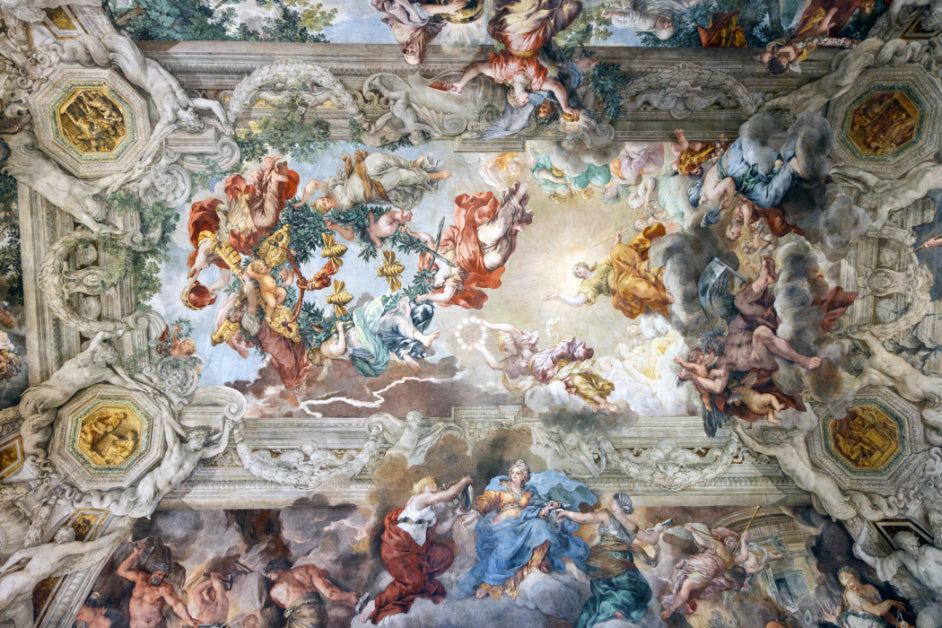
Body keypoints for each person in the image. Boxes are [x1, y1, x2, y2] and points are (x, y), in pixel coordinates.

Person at [455, 459, 594, 600]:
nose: (513, 475)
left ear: (524, 477)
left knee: (541, 528)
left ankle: (534, 570)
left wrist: (547, 509)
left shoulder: (529, 494)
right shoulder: (501, 489)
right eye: (512, 473)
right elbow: (486, 502)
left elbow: (536, 511)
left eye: (517, 473)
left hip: (523, 523)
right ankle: (489, 582)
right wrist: (476, 512)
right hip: (504, 526)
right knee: (508, 540)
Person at [438, 0, 583, 119]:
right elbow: (557, 87)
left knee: (528, 6)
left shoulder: (502, 75)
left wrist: (461, 83)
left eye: (523, 102)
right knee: (570, 8)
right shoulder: (535, 83)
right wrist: (565, 107)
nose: (527, 100)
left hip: (514, 37)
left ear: (515, 97)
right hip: (536, 38)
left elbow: (477, 67)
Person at [362, 475, 473, 623]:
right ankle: (375, 603)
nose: (435, 491)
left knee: (445, 554)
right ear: (424, 487)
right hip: (398, 548)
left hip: (415, 550)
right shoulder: (419, 499)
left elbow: (440, 530)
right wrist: (464, 481)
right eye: (431, 487)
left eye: (436, 489)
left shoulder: (430, 510)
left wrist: (455, 516)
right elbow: (450, 493)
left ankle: (420, 578)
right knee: (413, 583)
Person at [556, 493, 668, 627]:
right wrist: (658, 530)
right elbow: (652, 540)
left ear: (620, 505)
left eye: (613, 502)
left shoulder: (606, 515)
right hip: (619, 561)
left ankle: (613, 609)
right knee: (635, 587)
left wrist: (566, 513)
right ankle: (618, 609)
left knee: (608, 589)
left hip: (603, 560)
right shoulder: (631, 525)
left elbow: (584, 518)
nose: (610, 503)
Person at [415, 183, 532, 309]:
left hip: (471, 241)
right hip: (478, 263)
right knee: (498, 258)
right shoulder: (452, 281)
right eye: (438, 286)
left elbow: (427, 239)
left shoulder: (438, 258)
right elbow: (445, 297)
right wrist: (426, 297)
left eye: (436, 284)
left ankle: (516, 198)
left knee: (498, 230)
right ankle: (512, 231)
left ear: (433, 276)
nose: (440, 285)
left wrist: (411, 233)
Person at [545, 225, 674, 319]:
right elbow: (578, 302)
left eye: (577, 268)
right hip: (618, 283)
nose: (577, 271)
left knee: (620, 249)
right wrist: (558, 297)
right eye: (575, 272)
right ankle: (661, 295)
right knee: (628, 282)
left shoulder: (599, 265)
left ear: (583, 266)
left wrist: (617, 242)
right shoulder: (588, 285)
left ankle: (663, 231)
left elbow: (612, 257)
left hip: (623, 266)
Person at [311, 296, 439, 376]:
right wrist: (340, 330)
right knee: (390, 322)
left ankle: (406, 354)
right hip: (361, 339)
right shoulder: (325, 349)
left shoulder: (325, 349)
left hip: (361, 340)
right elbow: (340, 349)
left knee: (387, 331)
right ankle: (420, 339)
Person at [295, 150, 449, 213]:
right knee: (398, 175)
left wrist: (303, 201)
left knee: (377, 158)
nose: (325, 201)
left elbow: (313, 183)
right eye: (324, 205)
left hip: (361, 173)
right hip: (370, 190)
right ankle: (433, 176)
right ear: (327, 209)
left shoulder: (330, 189)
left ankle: (412, 164)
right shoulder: (341, 209)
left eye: (322, 200)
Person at [660, 523, 751, 618]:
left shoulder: (731, 559)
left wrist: (744, 540)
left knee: (687, 586)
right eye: (727, 539)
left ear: (736, 546)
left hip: (706, 573)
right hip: (695, 566)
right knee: (683, 584)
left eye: (732, 541)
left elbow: (744, 557)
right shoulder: (718, 545)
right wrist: (693, 531)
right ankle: (677, 606)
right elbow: (703, 542)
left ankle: (671, 609)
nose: (728, 541)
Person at [117, 543, 199, 628]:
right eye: (159, 574)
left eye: (163, 576)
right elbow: (121, 571)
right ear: (153, 571)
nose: (161, 577)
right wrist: (135, 554)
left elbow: (177, 604)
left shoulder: (163, 588)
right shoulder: (140, 578)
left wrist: (188, 619)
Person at [265, 557, 358, 628]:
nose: (271, 579)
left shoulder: (274, 591)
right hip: (320, 614)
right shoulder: (308, 569)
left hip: (302, 619)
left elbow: (285, 607)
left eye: (270, 575)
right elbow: (329, 592)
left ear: (278, 570)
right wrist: (348, 596)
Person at [372, 0, 467, 65]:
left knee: (417, 21)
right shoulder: (426, 37)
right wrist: (451, 11)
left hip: (404, 4)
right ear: (420, 52)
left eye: (406, 51)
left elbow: (421, 11)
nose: (409, 48)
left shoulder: (401, 33)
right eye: (412, 52)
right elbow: (440, 20)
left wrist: (447, 8)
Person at [830, 567, 908, 627]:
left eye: (849, 582)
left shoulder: (870, 588)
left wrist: (898, 624)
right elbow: (878, 611)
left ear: (856, 577)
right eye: (846, 585)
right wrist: (890, 602)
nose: (849, 586)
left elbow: (885, 614)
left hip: (875, 623)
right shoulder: (851, 594)